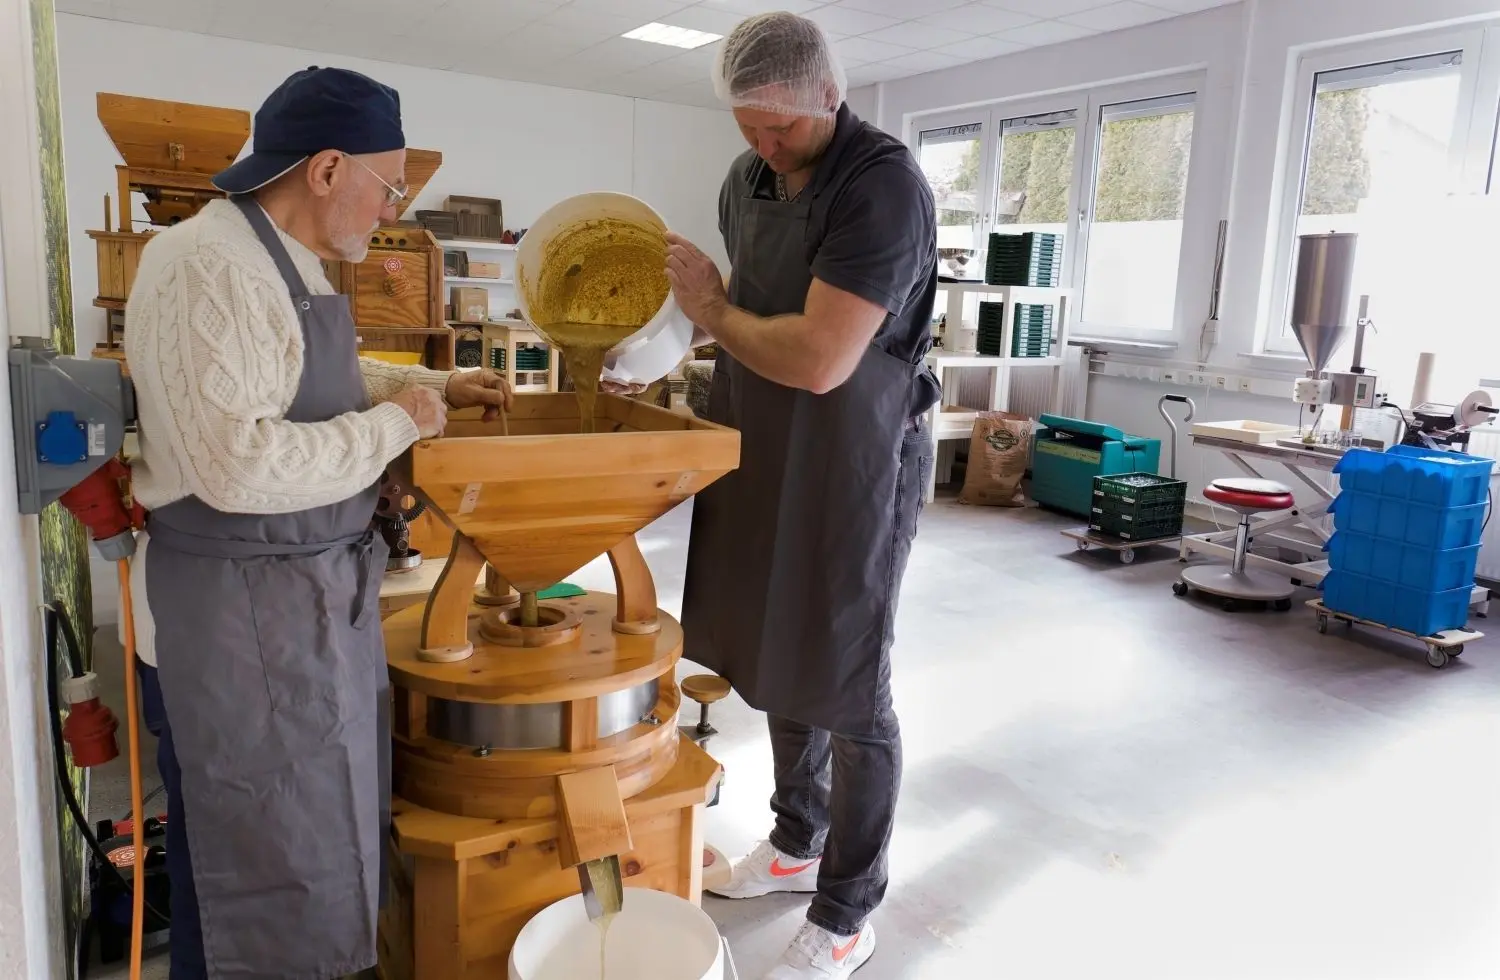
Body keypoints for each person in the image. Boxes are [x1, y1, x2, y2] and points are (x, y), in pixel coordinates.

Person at [122, 66, 512, 979]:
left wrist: (427, 383)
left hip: (296, 607)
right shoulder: (202, 266)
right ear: (329, 168)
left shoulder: (277, 263)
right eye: (391, 185)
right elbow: (236, 464)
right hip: (231, 625)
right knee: (252, 876)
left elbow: (300, 376)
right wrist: (394, 427)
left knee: (316, 843)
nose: (393, 210)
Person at [665, 13, 940, 980]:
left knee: (848, 671)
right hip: (765, 437)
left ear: (830, 94)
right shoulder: (747, 178)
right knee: (779, 645)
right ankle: (795, 841)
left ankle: (847, 906)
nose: (763, 149)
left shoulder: (881, 189)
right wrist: (673, 341)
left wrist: (711, 313)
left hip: (855, 449)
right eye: (747, 126)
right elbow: (745, 304)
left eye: (780, 129)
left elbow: (823, 359)